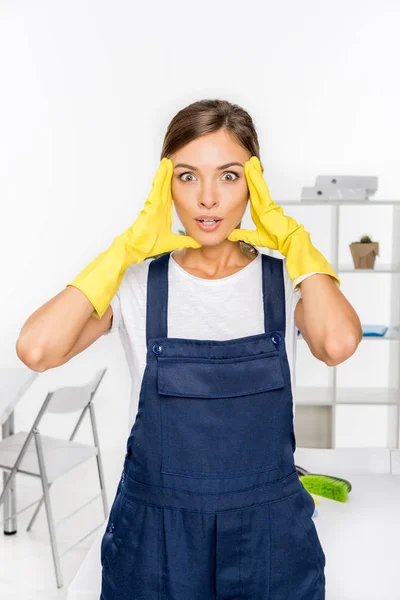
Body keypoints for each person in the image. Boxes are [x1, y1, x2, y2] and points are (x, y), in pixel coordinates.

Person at [16, 99, 363, 599]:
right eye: (186, 176)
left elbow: (337, 343)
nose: (206, 199)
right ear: (165, 187)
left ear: (254, 184)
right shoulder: (137, 283)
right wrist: (124, 250)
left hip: (270, 542)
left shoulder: (287, 282)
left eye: (228, 176)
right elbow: (37, 349)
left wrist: (295, 242)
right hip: (154, 543)